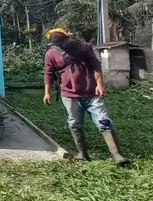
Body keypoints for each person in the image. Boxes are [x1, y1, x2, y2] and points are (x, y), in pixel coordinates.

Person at [43, 28, 130, 166]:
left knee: (104, 120)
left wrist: (100, 85)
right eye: (56, 44)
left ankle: (117, 154)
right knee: (74, 123)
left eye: (61, 43)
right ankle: (82, 153)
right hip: (68, 94)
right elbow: (48, 73)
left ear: (67, 38)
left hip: (92, 93)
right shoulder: (51, 54)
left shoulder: (84, 47)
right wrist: (47, 92)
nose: (59, 46)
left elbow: (96, 66)